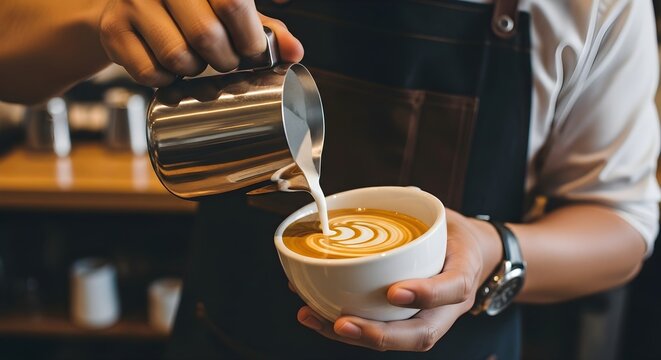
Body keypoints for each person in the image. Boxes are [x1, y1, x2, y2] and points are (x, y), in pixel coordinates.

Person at [1, 0, 659, 358]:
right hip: (228, 336)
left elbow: (621, 224)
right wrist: (100, 18)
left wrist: (494, 251)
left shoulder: (591, 9)